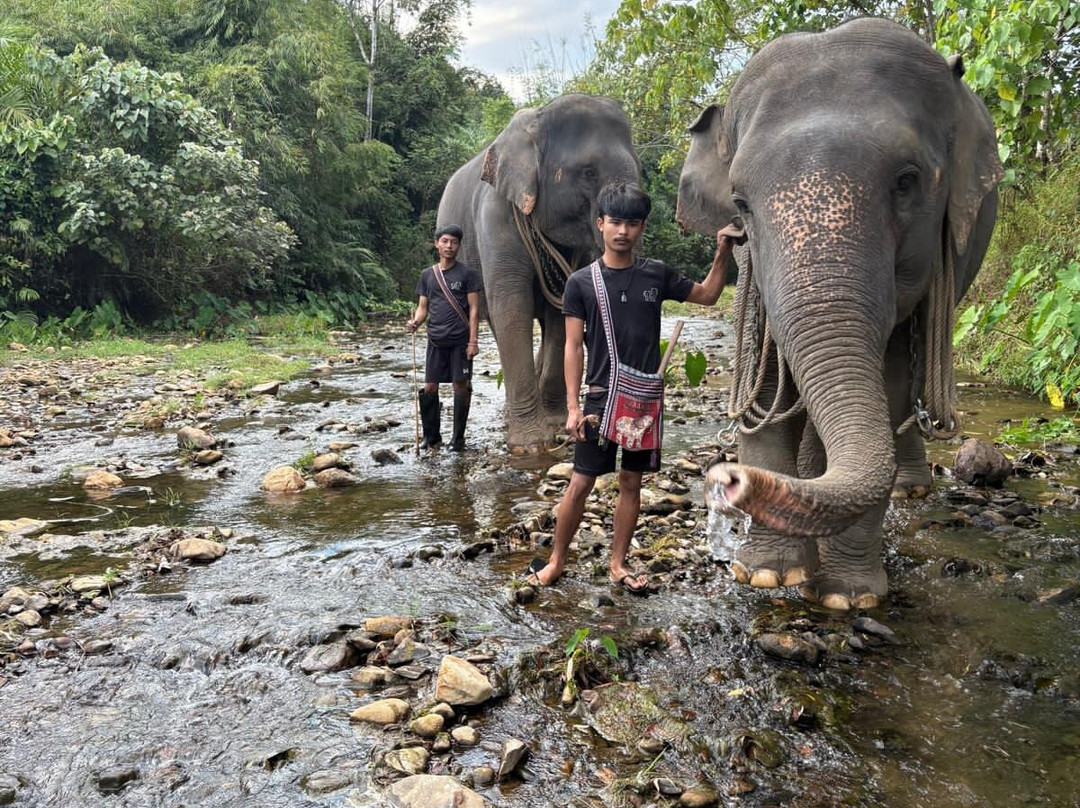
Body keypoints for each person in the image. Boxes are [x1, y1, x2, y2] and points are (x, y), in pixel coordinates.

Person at [525, 182, 733, 593]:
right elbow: (571, 345)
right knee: (581, 481)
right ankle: (555, 561)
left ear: (642, 228)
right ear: (600, 224)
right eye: (615, 221)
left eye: (632, 223)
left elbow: (708, 296)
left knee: (631, 483)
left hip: (644, 400)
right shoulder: (582, 283)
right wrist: (571, 405)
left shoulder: (656, 274)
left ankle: (618, 564)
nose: (623, 231)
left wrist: (723, 252)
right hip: (600, 398)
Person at [407, 224, 482, 451]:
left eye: (454, 242)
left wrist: (473, 341)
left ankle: (458, 439)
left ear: (459, 246)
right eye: (445, 241)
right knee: (430, 387)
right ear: (437, 244)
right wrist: (416, 322)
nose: (449, 246)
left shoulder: (468, 275)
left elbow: (474, 311)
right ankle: (432, 437)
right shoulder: (427, 276)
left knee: (460, 386)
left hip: (460, 341)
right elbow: (422, 307)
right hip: (435, 340)